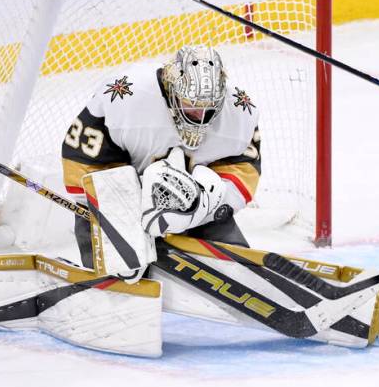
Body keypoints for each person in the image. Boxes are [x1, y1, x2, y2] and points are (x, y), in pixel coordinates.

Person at [61, 44, 261, 266]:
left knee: (237, 267)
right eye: (191, 106)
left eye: (209, 108)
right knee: (119, 268)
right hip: (124, 204)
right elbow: (81, 162)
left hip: (195, 204)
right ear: (172, 89)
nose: (201, 116)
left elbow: (245, 169)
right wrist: (127, 207)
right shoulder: (126, 98)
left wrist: (205, 203)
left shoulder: (240, 111)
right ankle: (111, 282)